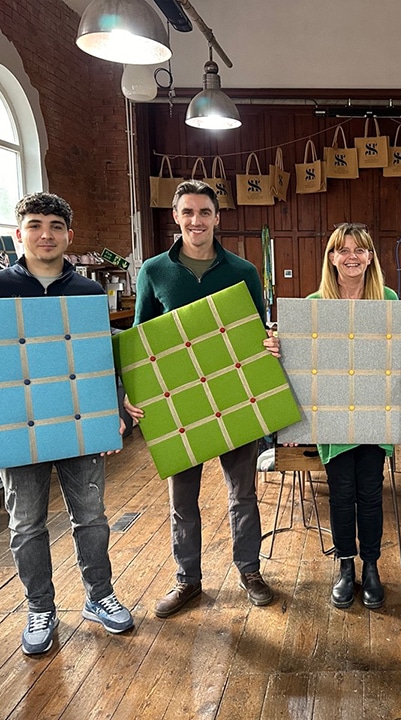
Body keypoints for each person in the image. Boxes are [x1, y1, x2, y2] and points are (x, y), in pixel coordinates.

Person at [0, 192, 133, 656]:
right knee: (25, 524)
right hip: (15, 429)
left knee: (93, 518)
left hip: (76, 427)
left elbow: (103, 361)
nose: (46, 234)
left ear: (69, 236)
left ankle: (99, 597)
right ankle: (40, 607)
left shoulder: (87, 293)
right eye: (35, 225)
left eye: (55, 226)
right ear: (19, 234)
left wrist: (113, 412)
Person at [125, 180, 280, 618]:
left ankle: (249, 570)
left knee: (242, 494)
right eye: (188, 212)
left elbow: (257, 333)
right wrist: (136, 396)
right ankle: (187, 580)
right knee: (182, 500)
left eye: (204, 212)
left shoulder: (243, 271)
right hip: (180, 401)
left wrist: (269, 346)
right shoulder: (154, 271)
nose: (196, 221)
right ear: (175, 216)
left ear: (217, 217)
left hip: (234, 395)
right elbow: (141, 340)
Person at [305, 223, 398, 610]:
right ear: (331, 258)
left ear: (371, 257)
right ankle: (346, 567)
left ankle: (372, 567)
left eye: (360, 249)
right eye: (342, 250)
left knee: (371, 495)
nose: (352, 256)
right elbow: (304, 363)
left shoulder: (388, 299)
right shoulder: (315, 303)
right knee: (341, 496)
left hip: (377, 412)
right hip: (334, 415)